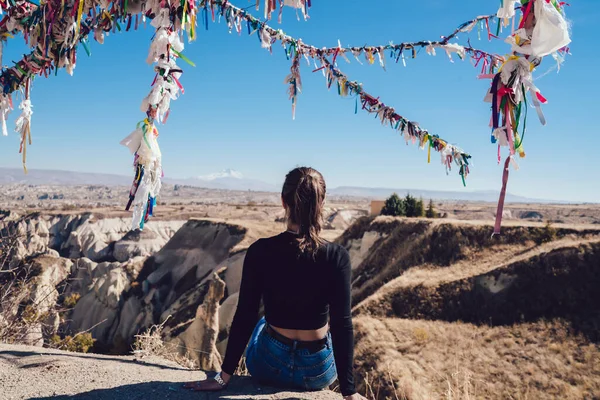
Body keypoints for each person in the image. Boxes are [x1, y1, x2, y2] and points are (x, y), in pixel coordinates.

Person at [184, 167, 365, 400]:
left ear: (283, 201)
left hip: (269, 365)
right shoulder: (337, 256)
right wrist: (349, 392)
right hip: (317, 371)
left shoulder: (261, 250)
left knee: (260, 323)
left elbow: (245, 314)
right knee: (329, 329)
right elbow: (342, 324)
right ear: (322, 202)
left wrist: (223, 377)